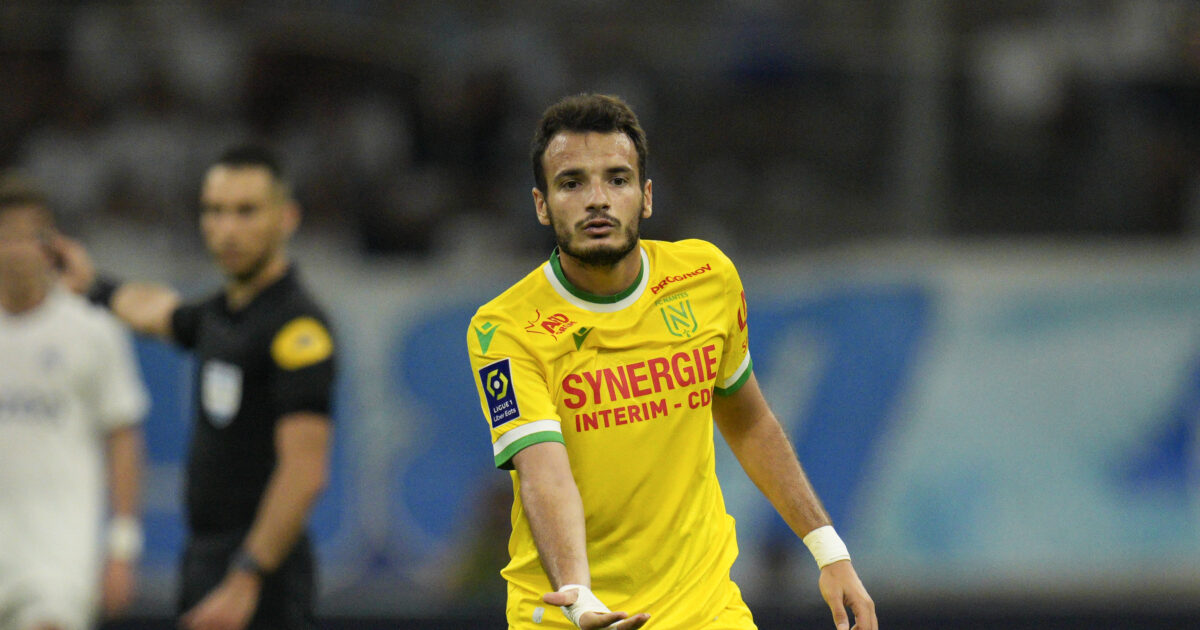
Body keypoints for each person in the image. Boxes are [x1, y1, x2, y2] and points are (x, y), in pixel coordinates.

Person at [466, 94, 877, 630]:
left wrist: (829, 550)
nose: (597, 200)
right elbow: (544, 474)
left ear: (646, 196)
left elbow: (749, 420)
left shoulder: (707, 278)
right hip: (574, 616)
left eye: (617, 179)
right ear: (542, 205)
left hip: (704, 609)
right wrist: (580, 598)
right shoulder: (505, 328)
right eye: (572, 183)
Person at [56, 146, 337, 630]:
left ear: (286, 218)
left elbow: (305, 472)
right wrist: (93, 286)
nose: (227, 229)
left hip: (262, 574)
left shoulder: (297, 328)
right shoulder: (221, 315)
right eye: (215, 211)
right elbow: (158, 311)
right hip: (206, 558)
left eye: (246, 211)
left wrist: (246, 577)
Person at [0, 173, 148, 630]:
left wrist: (122, 547)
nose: (17, 251)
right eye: (6, 237)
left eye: (30, 237)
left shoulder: (90, 327)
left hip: (59, 554)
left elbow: (122, 436)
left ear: (52, 246)